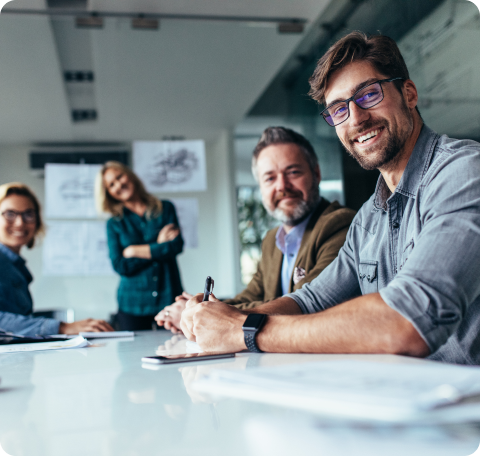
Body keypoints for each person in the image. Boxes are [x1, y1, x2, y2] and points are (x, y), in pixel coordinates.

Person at [179, 31, 480, 365]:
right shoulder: (369, 218)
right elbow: (310, 301)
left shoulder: (463, 172)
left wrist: (247, 330)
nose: (356, 118)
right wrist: (222, 318)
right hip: (405, 401)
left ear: (408, 93)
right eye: (339, 109)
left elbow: (408, 321)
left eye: (369, 94)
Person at [156, 127, 355, 333]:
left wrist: (202, 313)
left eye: (293, 172)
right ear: (261, 187)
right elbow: (251, 296)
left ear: (316, 173)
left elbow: (307, 302)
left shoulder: (339, 224)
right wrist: (201, 308)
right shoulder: (272, 240)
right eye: (270, 178)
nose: (282, 186)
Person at [0, 182, 113, 336]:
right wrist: (62, 327)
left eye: (28, 214)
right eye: (10, 214)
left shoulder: (16, 265)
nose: (20, 222)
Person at [97, 161, 183, 331]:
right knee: (131, 356)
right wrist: (158, 245)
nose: (119, 184)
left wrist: (133, 250)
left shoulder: (165, 208)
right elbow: (120, 265)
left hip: (168, 296)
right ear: (108, 193)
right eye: (111, 184)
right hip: (132, 304)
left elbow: (176, 246)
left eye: (119, 177)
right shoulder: (114, 223)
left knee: (175, 350)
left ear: (129, 175)